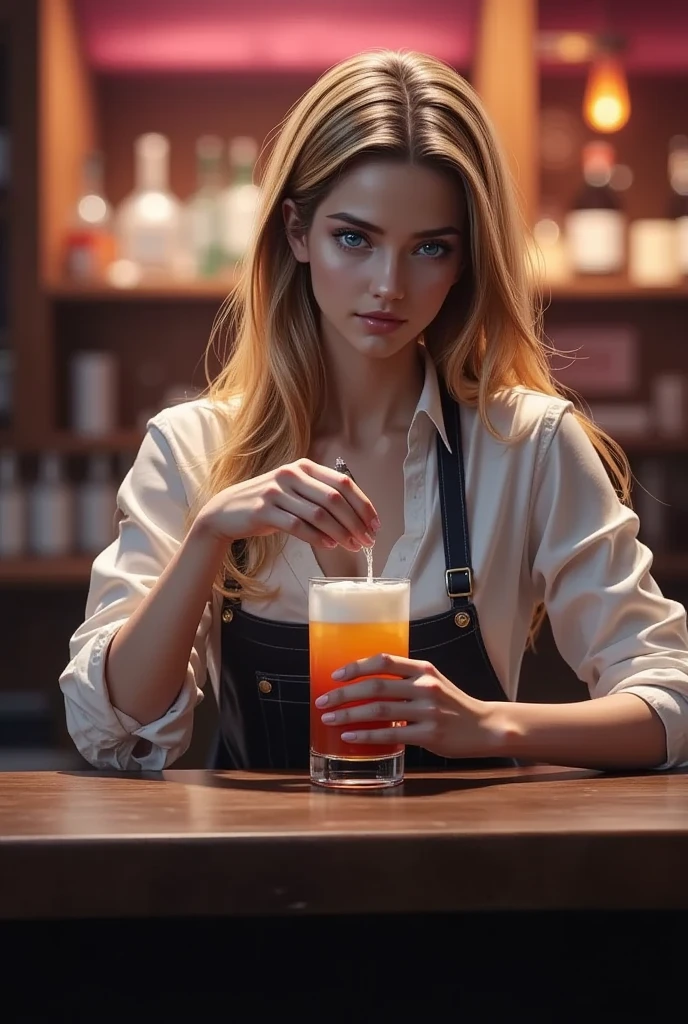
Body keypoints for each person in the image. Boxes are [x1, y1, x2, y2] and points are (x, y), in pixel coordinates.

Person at [60, 49, 688, 773]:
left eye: (429, 248)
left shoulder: (528, 443)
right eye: (353, 238)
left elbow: (669, 699)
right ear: (297, 232)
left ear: (466, 263)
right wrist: (206, 539)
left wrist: (495, 727)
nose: (388, 285)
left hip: (476, 877)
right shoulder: (191, 448)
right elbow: (113, 732)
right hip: (251, 879)